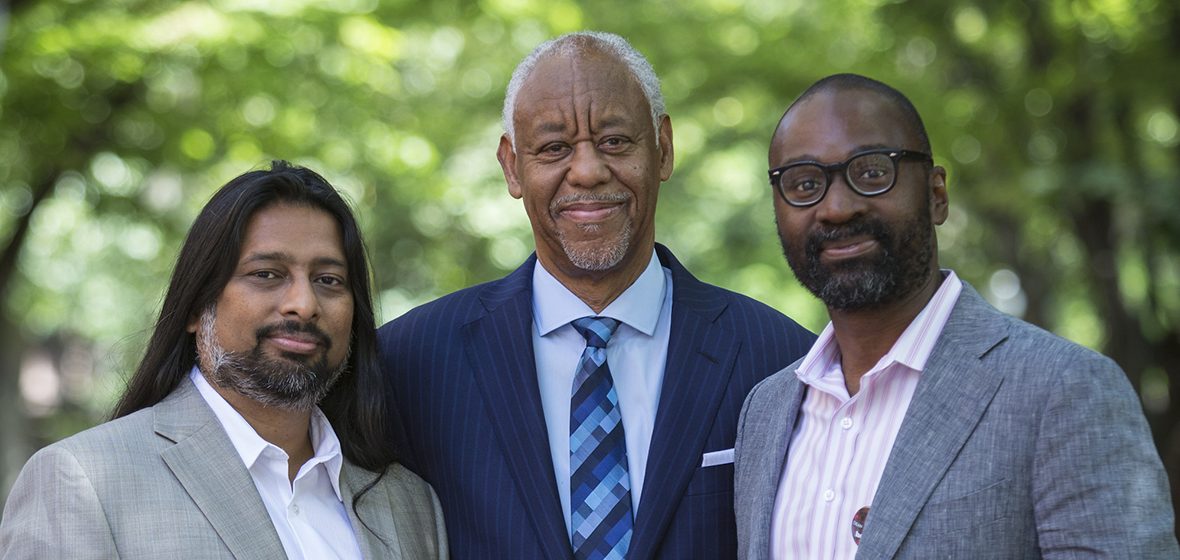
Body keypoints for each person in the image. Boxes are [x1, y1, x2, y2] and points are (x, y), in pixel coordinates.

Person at [377, 31, 814, 559]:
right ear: (512, 167)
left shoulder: (786, 364)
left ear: (664, 149)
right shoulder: (408, 364)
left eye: (614, 141)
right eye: (555, 148)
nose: (586, 171)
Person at [734, 73, 1178, 558]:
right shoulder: (765, 411)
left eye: (873, 171)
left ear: (936, 193)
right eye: (804, 183)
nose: (837, 208)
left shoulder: (1064, 389)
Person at [0, 161, 447, 559]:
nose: (303, 304)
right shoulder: (82, 482)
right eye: (267, 274)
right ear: (197, 306)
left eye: (329, 280)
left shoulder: (407, 503)